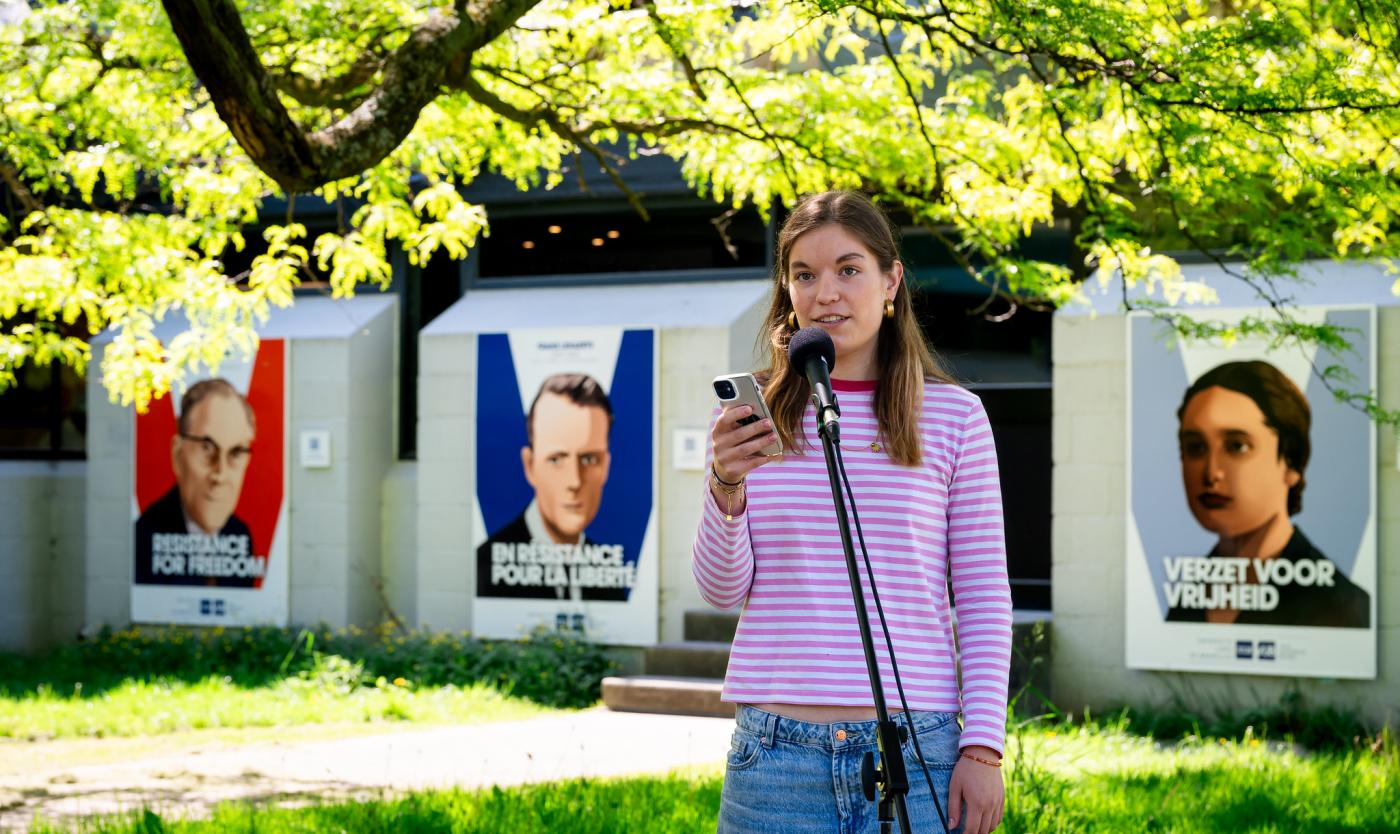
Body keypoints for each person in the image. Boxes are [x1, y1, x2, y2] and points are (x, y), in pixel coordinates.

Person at [693, 191, 1011, 834]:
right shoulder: (751, 423)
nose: (826, 292)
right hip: (777, 759)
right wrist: (725, 483)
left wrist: (982, 747)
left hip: (916, 751)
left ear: (891, 281)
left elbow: (982, 594)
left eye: (848, 269)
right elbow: (722, 592)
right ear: (787, 291)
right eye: (804, 275)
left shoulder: (955, 417)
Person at [1166, 360, 1369, 628]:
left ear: (1291, 463)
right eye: (1195, 447)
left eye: (1237, 446)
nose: (1211, 472)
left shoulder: (1340, 606)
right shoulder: (1185, 600)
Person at [476, 372, 623, 601]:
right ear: (530, 466)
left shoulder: (612, 577)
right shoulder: (485, 564)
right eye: (556, 459)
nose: (574, 481)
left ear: (606, 466)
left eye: (589, 459)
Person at [134, 378, 260, 587]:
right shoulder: (145, 536)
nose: (220, 475)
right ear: (177, 454)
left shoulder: (240, 535)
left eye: (236, 453)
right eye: (207, 448)